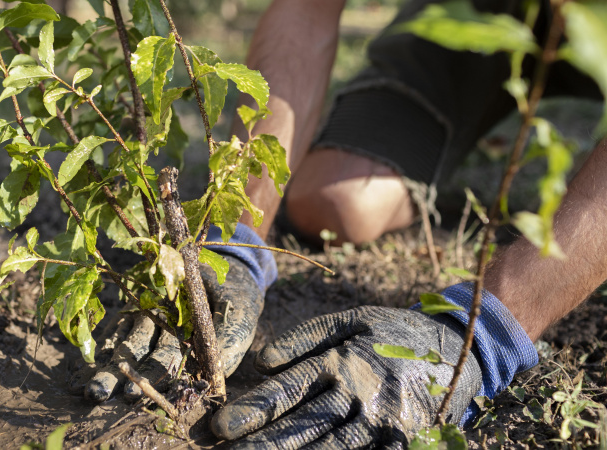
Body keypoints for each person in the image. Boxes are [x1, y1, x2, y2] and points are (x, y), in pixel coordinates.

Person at [78, 0, 606, 447]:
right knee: (336, 202)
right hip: (477, 14)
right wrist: (234, 235)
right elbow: (305, 12)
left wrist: (486, 329)